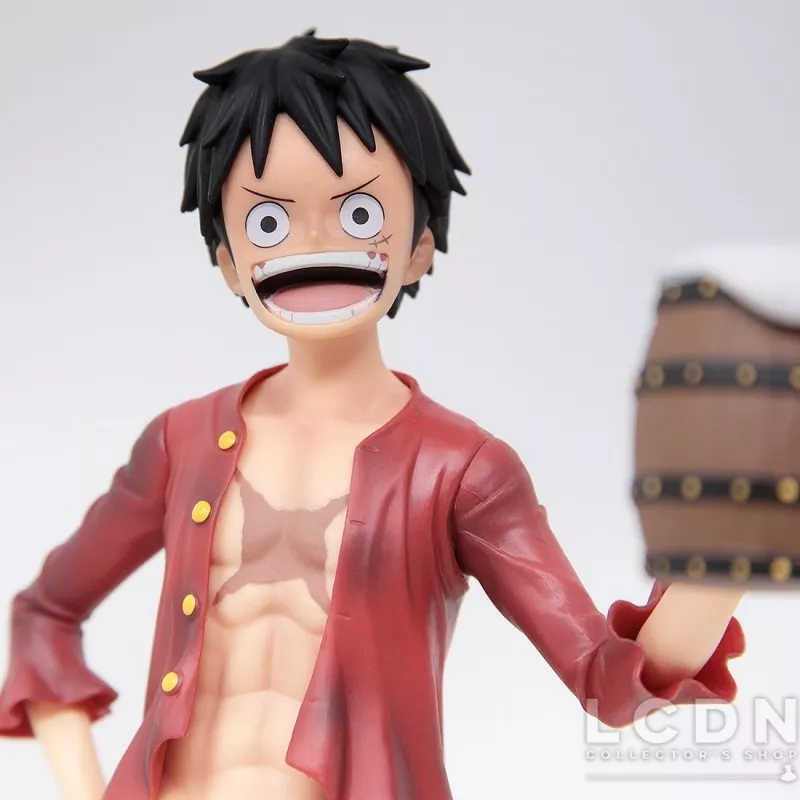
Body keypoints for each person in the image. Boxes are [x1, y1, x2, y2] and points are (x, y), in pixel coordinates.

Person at [0, 30, 745, 800]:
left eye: (358, 214)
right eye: (268, 222)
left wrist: (738, 543)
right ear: (228, 261)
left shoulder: (463, 471)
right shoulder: (178, 442)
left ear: (420, 247)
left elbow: (608, 679)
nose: (313, 244)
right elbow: (45, 612)